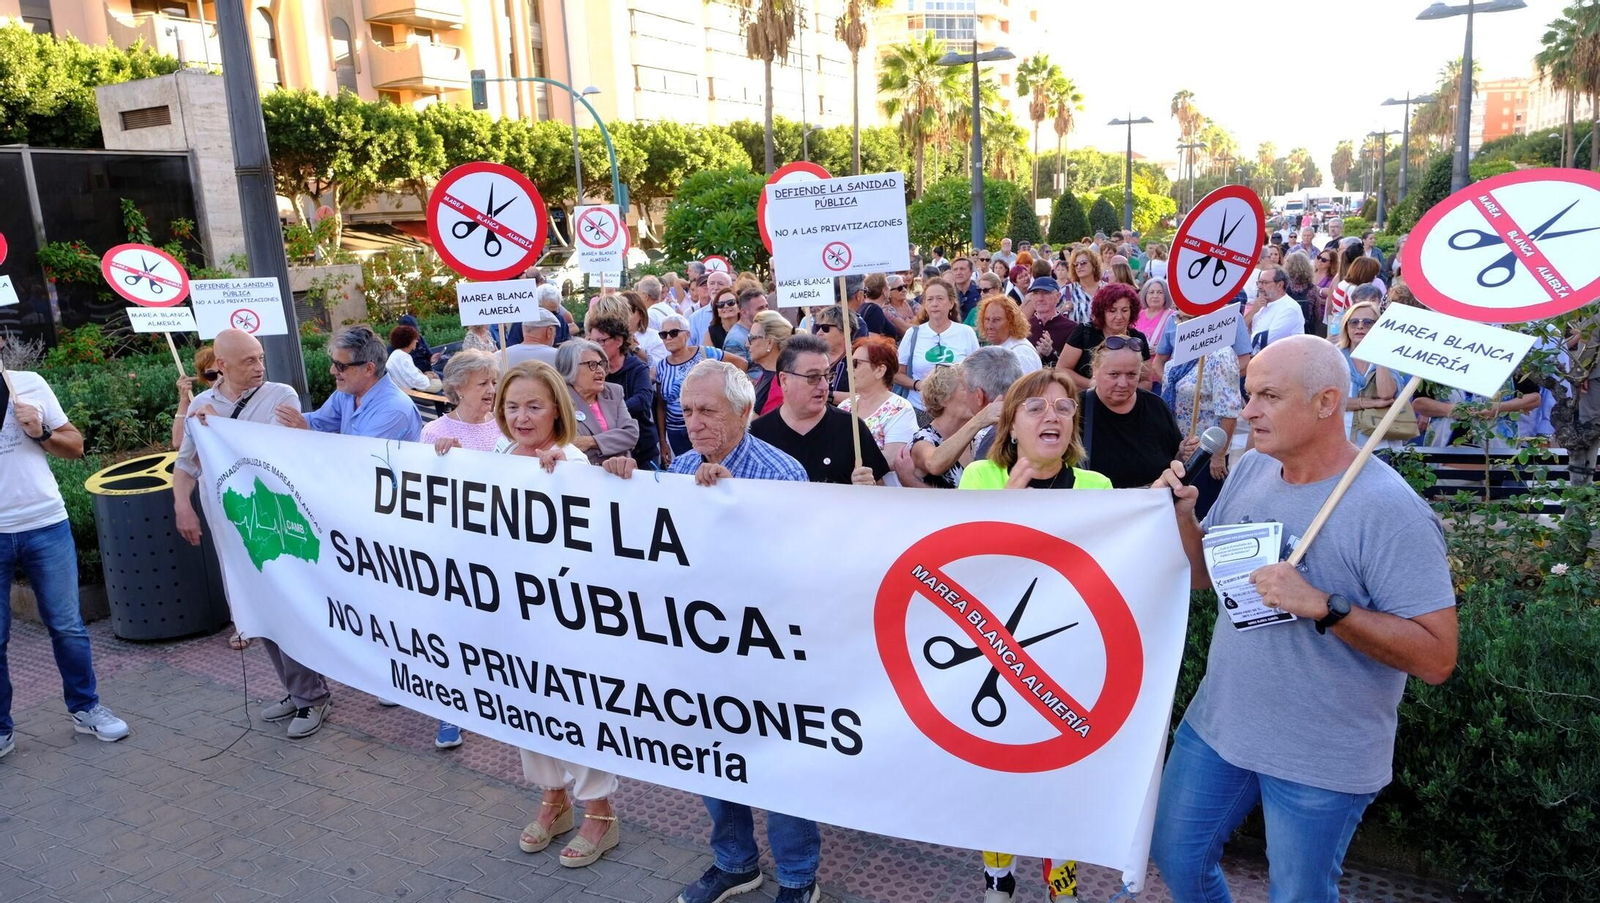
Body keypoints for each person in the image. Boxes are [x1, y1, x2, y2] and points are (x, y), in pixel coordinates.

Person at [1150, 336, 1457, 903]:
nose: (1247, 411)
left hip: (1320, 754)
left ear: (1325, 402)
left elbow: (1437, 657)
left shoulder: (1390, 510)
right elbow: (1204, 579)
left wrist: (1326, 606)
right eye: (1249, 394)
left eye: (1268, 395)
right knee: (1175, 856)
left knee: (1299, 895)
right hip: (1220, 724)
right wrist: (1184, 518)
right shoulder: (1251, 471)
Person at [604, 360, 818, 902]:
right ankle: (735, 863)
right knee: (715, 759)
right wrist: (616, 483)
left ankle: (797, 877)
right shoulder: (676, 475)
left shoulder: (781, 472)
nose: (694, 424)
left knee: (780, 762)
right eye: (687, 411)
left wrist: (735, 504)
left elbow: (798, 569)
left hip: (766, 652)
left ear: (745, 412)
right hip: (699, 652)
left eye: (708, 412)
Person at [435, 360, 623, 867]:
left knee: (575, 710)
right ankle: (552, 799)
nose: (521, 417)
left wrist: (566, 481)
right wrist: (449, 463)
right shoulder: (496, 453)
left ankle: (599, 812)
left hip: (563, 619)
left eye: (534, 406)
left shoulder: (570, 464)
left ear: (556, 410)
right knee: (528, 708)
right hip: (511, 615)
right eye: (512, 406)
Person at [173, 329, 325, 739]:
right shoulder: (201, 405)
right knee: (257, 609)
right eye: (248, 361)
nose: (259, 367)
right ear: (220, 365)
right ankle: (297, 691)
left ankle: (312, 696)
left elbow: (275, 453)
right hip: (230, 526)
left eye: (260, 358)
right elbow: (187, 462)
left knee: (287, 605)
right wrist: (181, 504)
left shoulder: (279, 395)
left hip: (276, 522)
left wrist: (225, 430)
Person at [2, 342, 131, 757]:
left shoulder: (28, 384)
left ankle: (86, 708)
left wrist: (40, 431)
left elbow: (75, 447)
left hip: (45, 523)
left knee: (68, 626)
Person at [750, 334, 888, 485]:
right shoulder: (758, 434)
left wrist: (869, 487)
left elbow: (880, 490)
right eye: (813, 377)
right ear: (784, 380)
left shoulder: (851, 428)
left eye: (827, 375)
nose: (824, 386)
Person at [279, 325, 422, 443]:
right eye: (333, 363)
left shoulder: (394, 410)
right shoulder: (347, 393)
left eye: (340, 366)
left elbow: (359, 460)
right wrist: (278, 419)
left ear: (368, 369)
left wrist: (306, 434)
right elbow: (318, 422)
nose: (332, 371)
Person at [1161, 315, 1243, 518]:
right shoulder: (1175, 361)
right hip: (1179, 453)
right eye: (1178, 317)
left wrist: (1218, 455)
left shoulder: (1220, 356)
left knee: (1201, 516)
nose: (1179, 322)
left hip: (1206, 458)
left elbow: (1229, 410)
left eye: (1186, 318)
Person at [1081, 339, 1182, 489]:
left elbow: (1174, 458)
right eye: (1114, 374)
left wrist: (1184, 454)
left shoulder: (1156, 407)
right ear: (1095, 370)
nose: (1123, 383)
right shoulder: (1076, 410)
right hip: (1098, 508)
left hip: (1151, 507)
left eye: (1131, 375)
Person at [893, 277, 981, 414]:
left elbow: (977, 373)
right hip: (919, 409)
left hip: (957, 412)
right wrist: (919, 385)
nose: (934, 304)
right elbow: (897, 374)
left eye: (940, 298)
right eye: (930, 299)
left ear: (951, 303)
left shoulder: (966, 332)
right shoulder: (913, 333)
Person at [587, 311, 660, 471]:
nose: (595, 347)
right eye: (592, 341)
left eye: (601, 341)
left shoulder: (637, 368)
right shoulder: (592, 370)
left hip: (643, 451)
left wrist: (614, 410)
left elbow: (643, 399)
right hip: (609, 452)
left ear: (619, 341)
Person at [655, 314, 727, 462]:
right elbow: (661, 406)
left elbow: (740, 363)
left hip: (704, 426)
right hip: (676, 432)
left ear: (687, 334)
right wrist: (663, 441)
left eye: (673, 333)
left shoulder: (705, 353)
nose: (668, 338)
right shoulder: (661, 366)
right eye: (663, 334)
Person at [557, 338, 640, 466]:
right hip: (586, 474)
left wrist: (590, 442)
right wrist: (616, 445)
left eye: (601, 364)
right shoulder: (560, 400)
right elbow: (570, 448)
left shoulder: (613, 391)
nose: (600, 370)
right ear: (570, 368)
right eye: (592, 365)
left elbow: (631, 434)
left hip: (622, 473)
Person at [839, 335, 918, 466]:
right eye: (849, 363)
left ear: (880, 370)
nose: (849, 369)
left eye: (856, 364)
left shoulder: (900, 409)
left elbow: (892, 459)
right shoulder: (845, 406)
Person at [896, 363, 976, 489]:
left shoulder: (980, 437)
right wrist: (978, 421)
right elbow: (934, 464)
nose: (976, 395)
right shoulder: (923, 440)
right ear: (943, 398)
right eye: (967, 389)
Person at [1059, 283, 1152, 391]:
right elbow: (1062, 369)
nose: (1119, 316)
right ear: (1102, 312)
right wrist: (1093, 385)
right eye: (1112, 311)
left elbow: (1146, 381)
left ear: (1132, 311)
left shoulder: (1138, 339)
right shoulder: (1084, 332)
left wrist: (1125, 393)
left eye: (1125, 310)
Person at [423, 350, 503, 455]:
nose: (492, 390)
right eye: (483, 383)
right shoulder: (434, 432)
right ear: (458, 388)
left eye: (493, 383)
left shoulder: (503, 424)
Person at [977, 294, 1042, 374]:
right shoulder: (995, 348)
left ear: (1011, 321)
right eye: (987, 319)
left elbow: (1029, 385)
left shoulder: (1021, 352)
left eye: (996, 320)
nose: (989, 326)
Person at [1246, 267, 1305, 354]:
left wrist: (1245, 337)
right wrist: (1253, 312)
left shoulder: (1289, 308)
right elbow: (1239, 330)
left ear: (1280, 285)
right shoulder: (1260, 304)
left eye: (1265, 282)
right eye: (1259, 282)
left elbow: (1267, 339)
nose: (1259, 286)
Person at [171, 345, 218, 450]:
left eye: (224, 372)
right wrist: (184, 399)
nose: (219, 378)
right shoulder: (201, 401)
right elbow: (178, 442)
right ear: (204, 378)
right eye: (211, 375)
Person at [1023, 277, 1075, 370]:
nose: (1040, 298)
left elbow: (1074, 368)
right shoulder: (1023, 327)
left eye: (1046, 293)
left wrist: (1051, 353)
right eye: (1035, 293)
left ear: (1058, 297)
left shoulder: (1072, 328)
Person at [747, 310, 793, 416]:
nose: (747, 344)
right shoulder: (765, 375)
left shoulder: (781, 383)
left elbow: (771, 426)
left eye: (751, 338)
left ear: (769, 342)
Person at [386, 325, 444, 394]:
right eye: (415, 339)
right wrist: (429, 376)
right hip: (411, 393)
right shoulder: (402, 357)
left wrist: (425, 375)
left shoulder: (398, 355)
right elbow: (416, 381)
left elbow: (411, 376)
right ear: (408, 341)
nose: (416, 341)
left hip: (405, 391)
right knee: (440, 387)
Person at [1282, 251, 1325, 338]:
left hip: (1286, 327)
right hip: (1306, 329)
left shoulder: (1283, 286)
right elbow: (1317, 313)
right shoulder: (1312, 288)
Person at [1134, 278, 1176, 364]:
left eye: (1160, 292)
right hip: (1139, 368)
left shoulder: (1174, 317)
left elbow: (1178, 345)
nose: (1155, 296)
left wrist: (1161, 350)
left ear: (1166, 295)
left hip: (1160, 368)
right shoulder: (1137, 316)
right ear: (1145, 295)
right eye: (1151, 292)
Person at [622, 289, 668, 367]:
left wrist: (636, 348)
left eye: (629, 311)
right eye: (620, 312)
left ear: (640, 313)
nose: (623, 316)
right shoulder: (610, 338)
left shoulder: (654, 337)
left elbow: (660, 366)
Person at [1063, 247, 1101, 324]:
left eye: (1083, 263)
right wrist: (1062, 311)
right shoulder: (1067, 291)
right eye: (1076, 265)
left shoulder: (1106, 289)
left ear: (1094, 265)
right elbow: (1053, 318)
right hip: (1077, 335)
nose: (1079, 267)